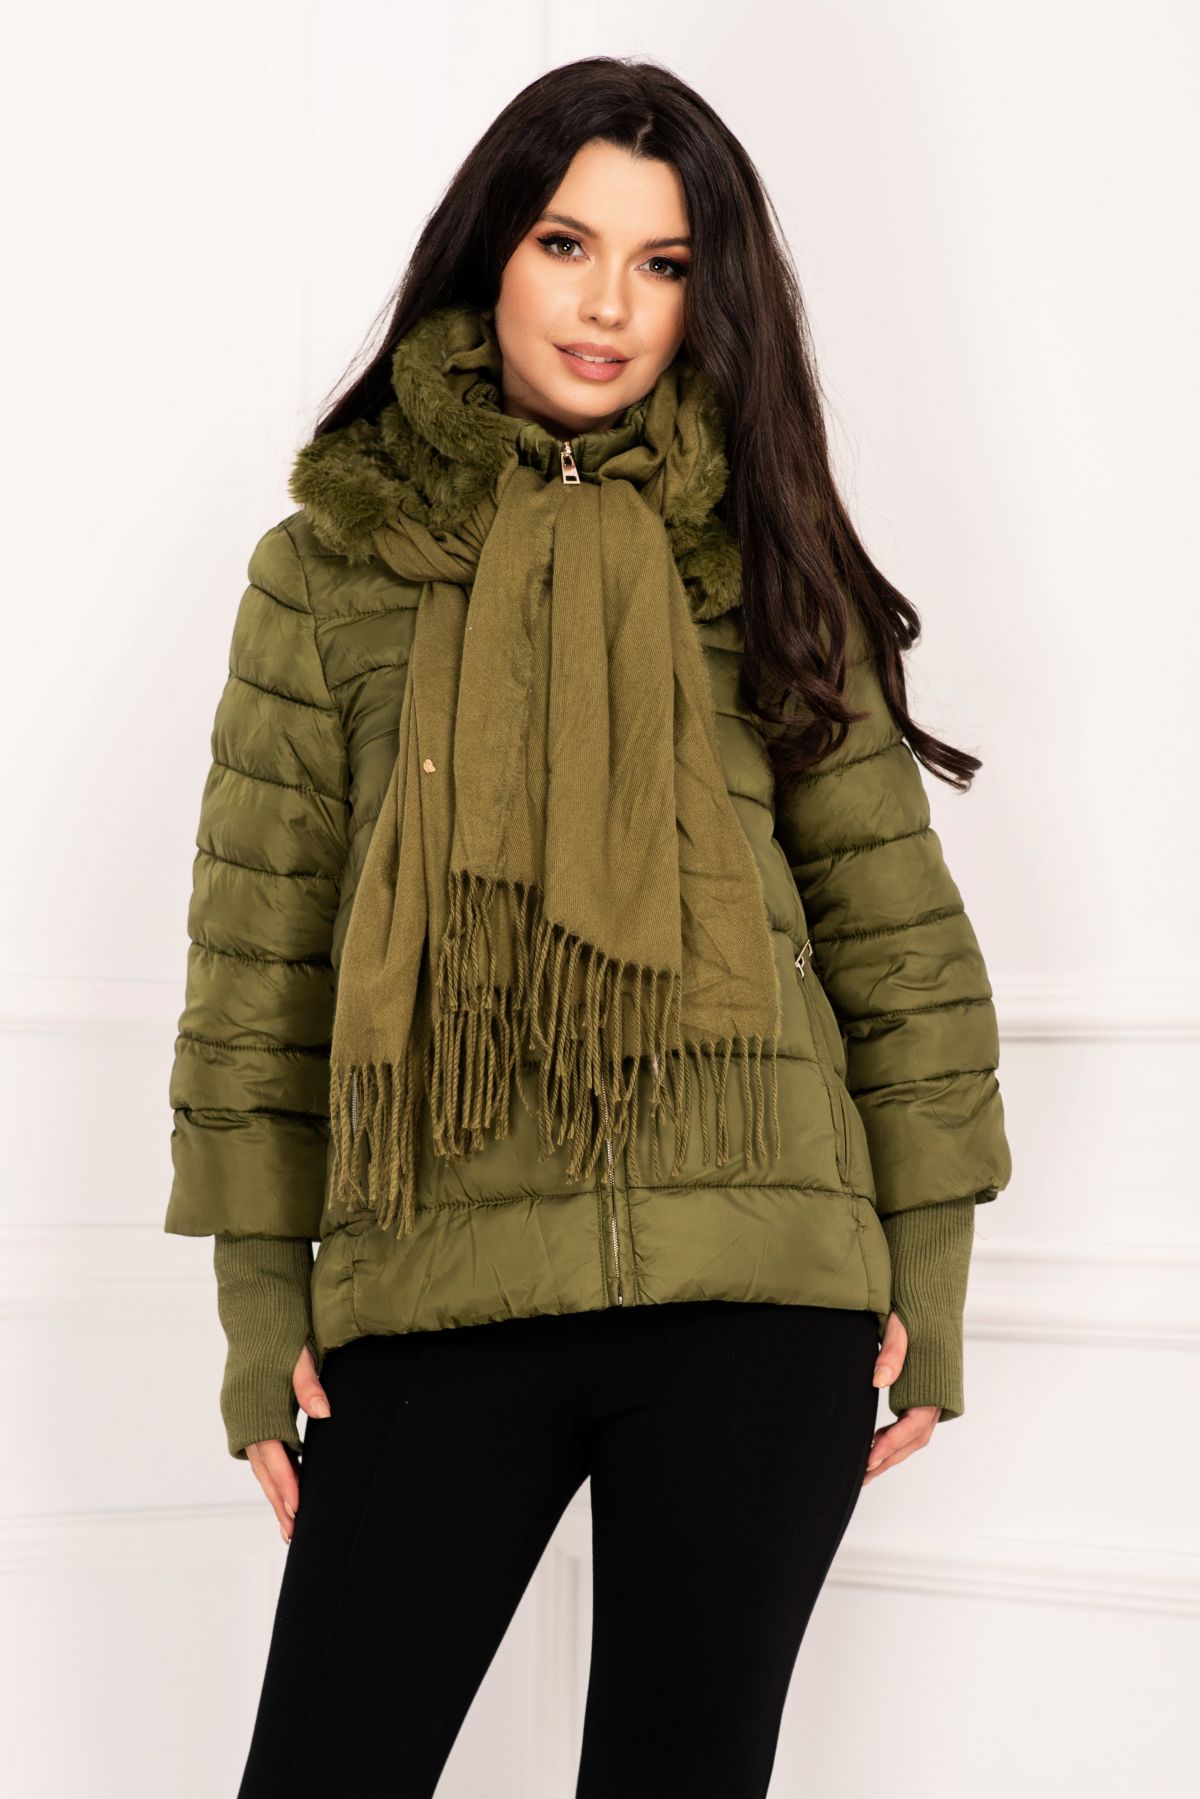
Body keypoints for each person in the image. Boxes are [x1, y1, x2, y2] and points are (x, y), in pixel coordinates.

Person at [164, 54, 1011, 1799]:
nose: (609, 304)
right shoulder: (328, 571)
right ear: (492, 250)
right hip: (433, 1280)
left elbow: (896, 937)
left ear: (712, 295)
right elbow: (258, 964)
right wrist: (259, 1310)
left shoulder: (766, 559)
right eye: (567, 243)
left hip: (761, 1295)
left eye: (664, 262)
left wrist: (928, 1269)